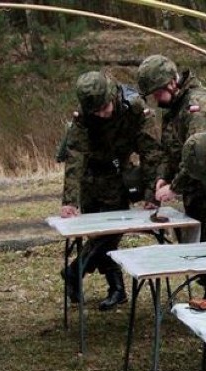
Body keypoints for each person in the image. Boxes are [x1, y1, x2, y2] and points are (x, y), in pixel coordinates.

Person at [59, 71, 161, 310]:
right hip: (90, 180)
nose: (102, 114)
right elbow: (75, 156)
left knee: (110, 234)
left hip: (118, 178)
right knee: (97, 235)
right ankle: (117, 289)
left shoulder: (135, 107)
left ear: (113, 95)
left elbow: (151, 152)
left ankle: (75, 272)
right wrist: (70, 201)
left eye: (105, 107)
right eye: (96, 111)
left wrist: (151, 194)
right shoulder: (85, 115)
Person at [136, 54, 206, 301]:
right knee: (200, 256)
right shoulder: (175, 108)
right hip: (198, 196)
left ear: (172, 82)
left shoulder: (198, 106)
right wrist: (162, 179)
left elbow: (202, 155)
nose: (156, 100)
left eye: (157, 93)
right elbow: (172, 152)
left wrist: (174, 187)